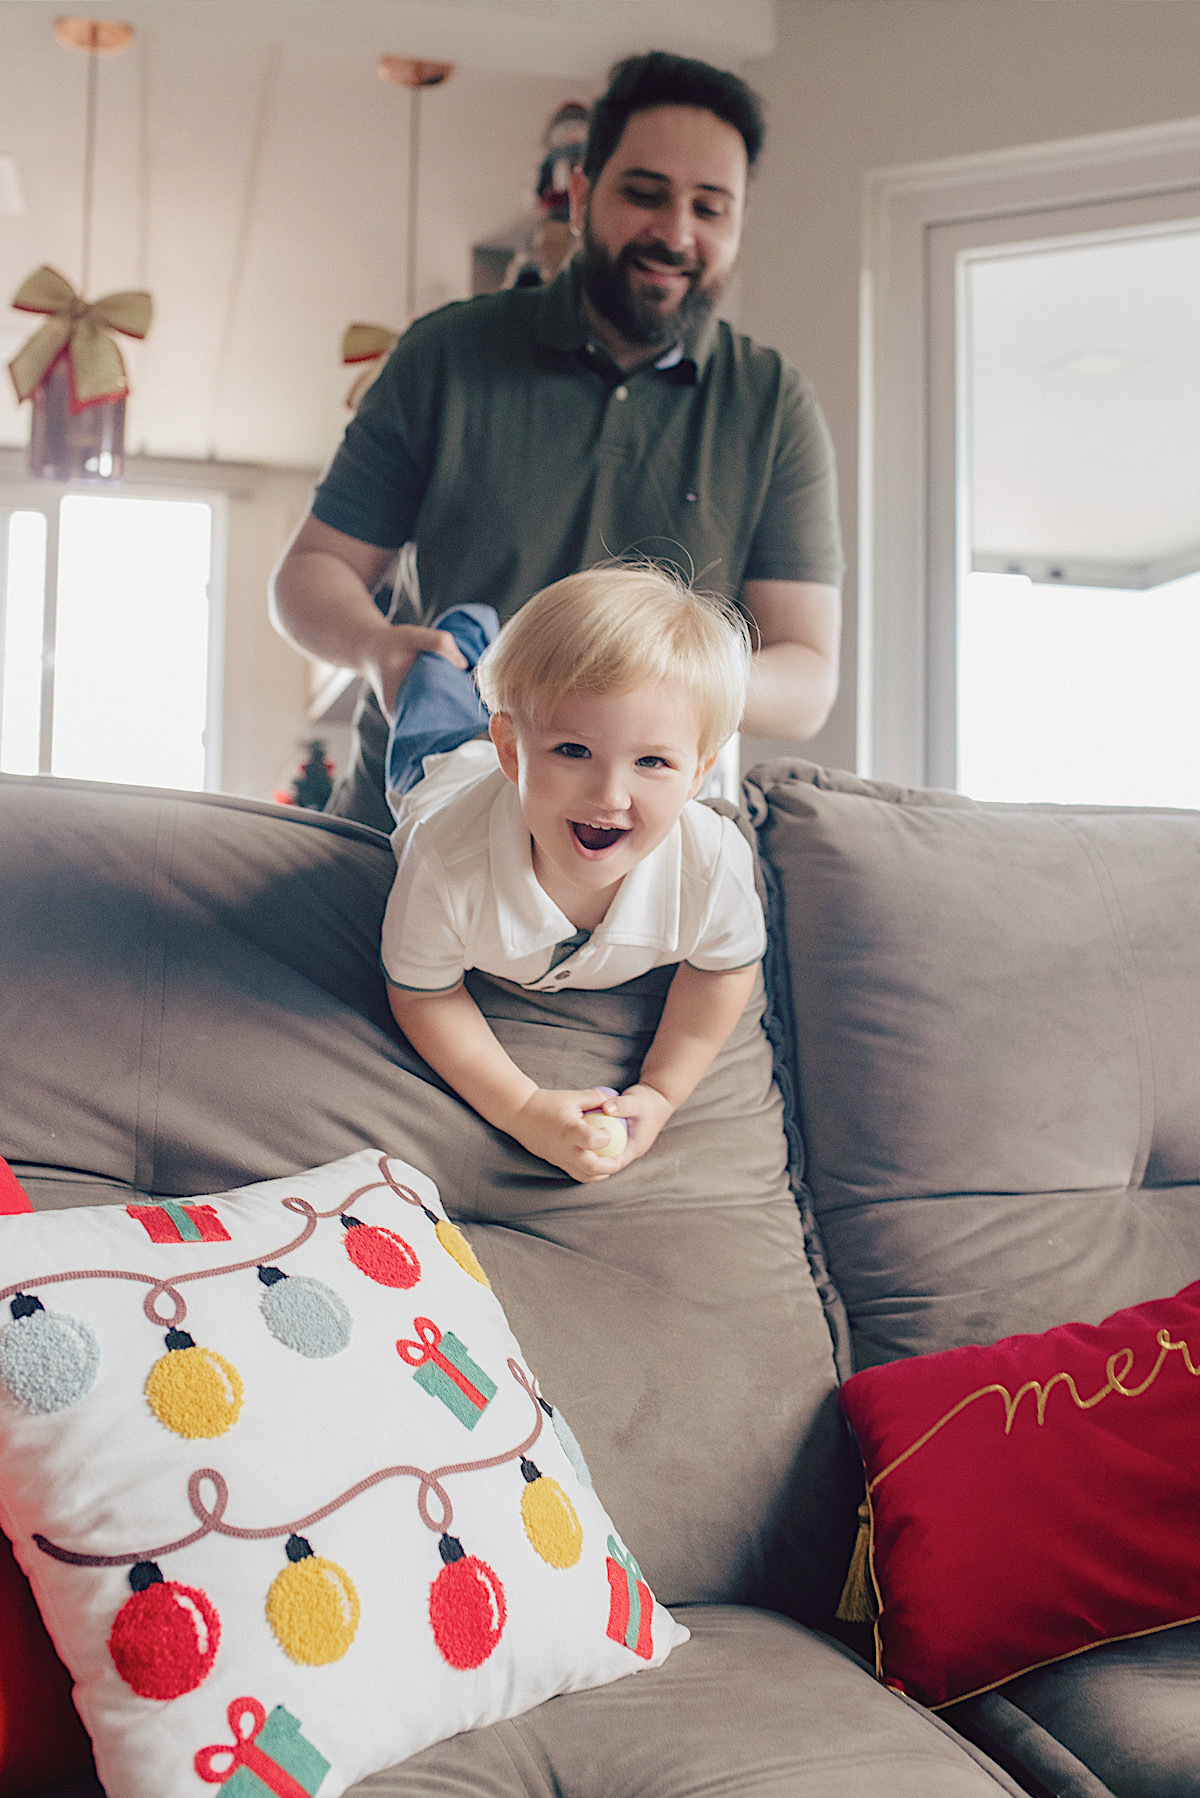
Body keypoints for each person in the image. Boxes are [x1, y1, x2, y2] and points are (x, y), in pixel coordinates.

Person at [271, 49, 845, 836]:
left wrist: (656, 682)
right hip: (411, 830)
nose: (676, 233)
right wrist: (379, 650)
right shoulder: (445, 356)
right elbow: (311, 572)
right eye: (645, 195)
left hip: (638, 868)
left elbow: (806, 679)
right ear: (581, 197)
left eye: (711, 209)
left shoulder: (775, 406)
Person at [381, 564, 766, 1184]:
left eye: (652, 761)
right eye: (573, 751)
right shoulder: (446, 862)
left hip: (504, 756)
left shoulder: (712, 863)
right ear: (513, 750)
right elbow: (425, 995)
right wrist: (524, 1107)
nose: (609, 795)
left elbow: (724, 969)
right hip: (445, 767)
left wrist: (661, 1092)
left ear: (698, 774)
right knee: (431, 688)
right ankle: (467, 629)